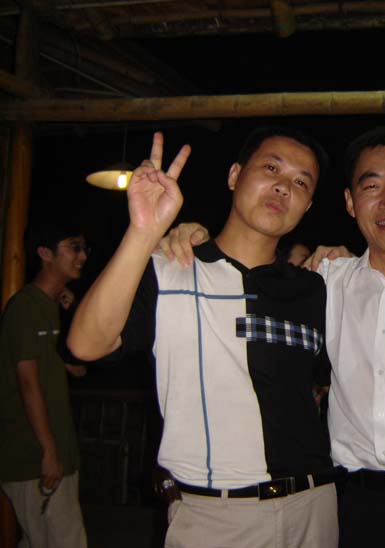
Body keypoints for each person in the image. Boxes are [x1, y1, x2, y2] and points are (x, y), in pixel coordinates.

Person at [163, 126, 385, 548]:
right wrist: (188, 234)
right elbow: (251, 271)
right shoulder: (327, 281)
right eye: (371, 186)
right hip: (352, 507)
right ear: (351, 203)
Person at [67, 127, 341, 548]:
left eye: (301, 182)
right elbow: (86, 345)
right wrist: (143, 231)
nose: (284, 187)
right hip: (216, 516)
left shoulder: (315, 289)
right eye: (271, 168)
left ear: (307, 206)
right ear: (234, 175)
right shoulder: (170, 269)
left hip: (314, 506)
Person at [0, 217, 89, 548]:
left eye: (84, 248)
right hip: (32, 454)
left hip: (56, 450)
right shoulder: (24, 306)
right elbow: (28, 384)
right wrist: (48, 452)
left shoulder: (53, 305)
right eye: (74, 247)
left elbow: (77, 367)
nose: (82, 256)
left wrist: (72, 311)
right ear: (44, 253)